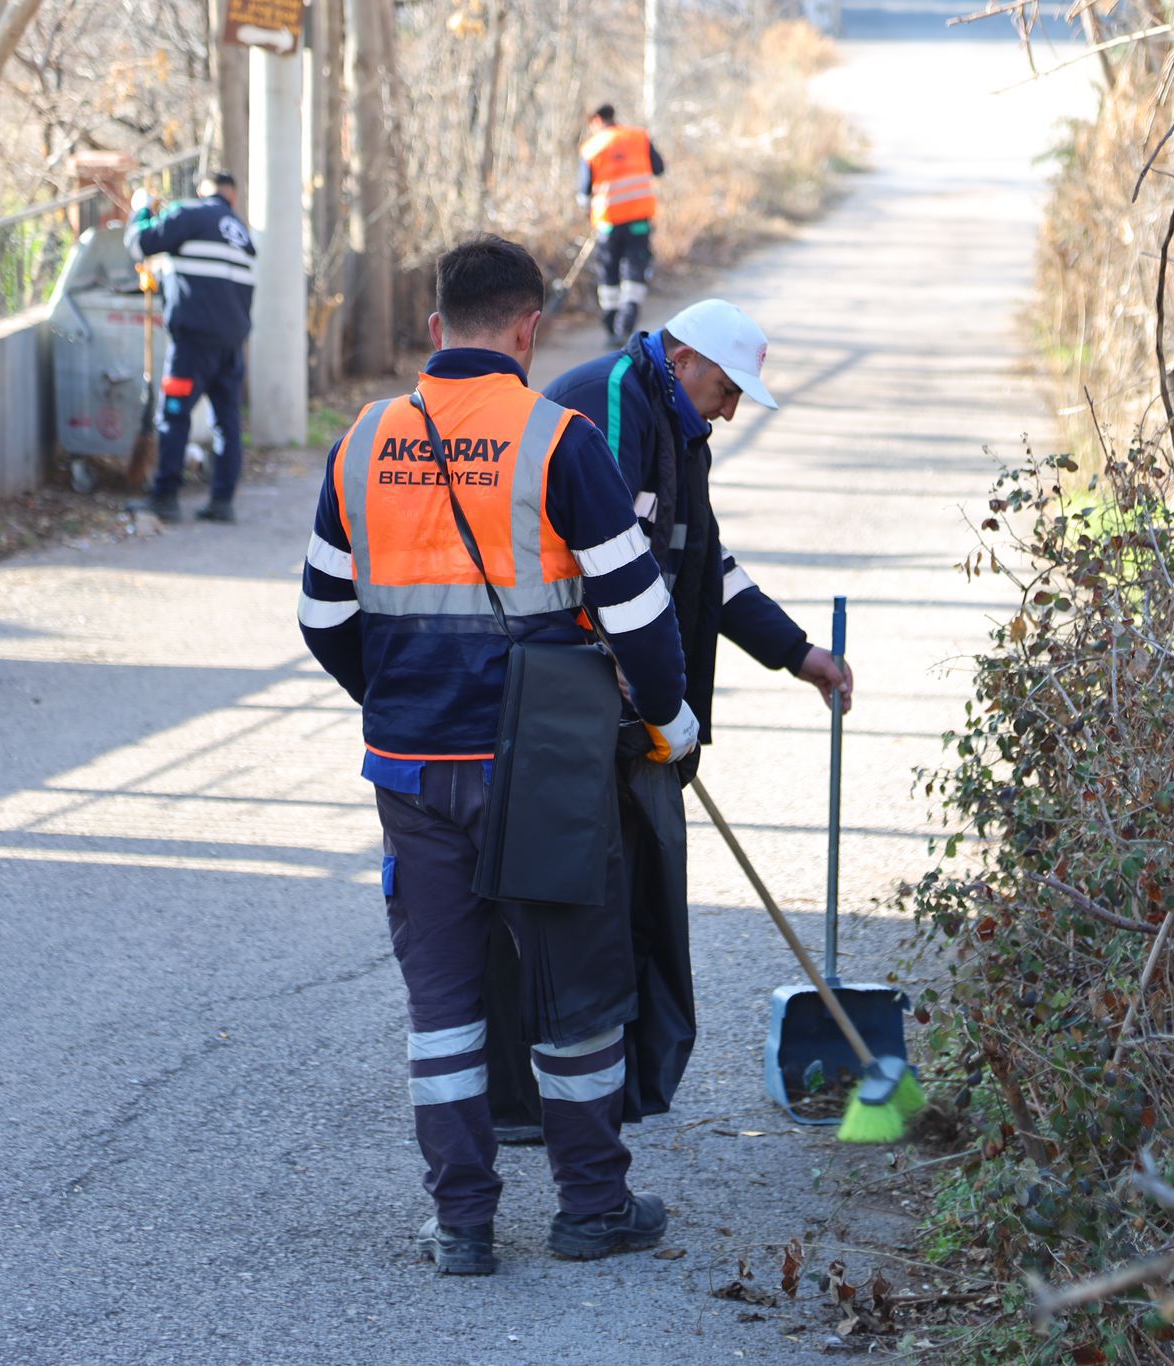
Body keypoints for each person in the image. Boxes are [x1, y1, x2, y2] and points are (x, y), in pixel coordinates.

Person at [297, 233, 700, 1275]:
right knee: (572, 993)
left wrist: (392, 696)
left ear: (435, 329)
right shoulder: (559, 442)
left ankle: (463, 1223)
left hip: (409, 771)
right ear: (528, 331)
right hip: (543, 773)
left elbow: (320, 615)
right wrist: (668, 720)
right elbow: (640, 614)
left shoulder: (363, 440)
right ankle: (589, 1208)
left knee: (443, 1006)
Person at [483, 298, 852, 1141]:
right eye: (725, 388)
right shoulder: (611, 403)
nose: (728, 409)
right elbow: (606, 571)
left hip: (642, 714)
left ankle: (614, 1097)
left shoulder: (684, 435)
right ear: (681, 358)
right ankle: (547, 1110)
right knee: (585, 915)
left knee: (644, 907)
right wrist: (650, 703)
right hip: (581, 712)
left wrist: (799, 654)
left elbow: (705, 567)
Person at [124, 171, 254, 524]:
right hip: (231, 344)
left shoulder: (190, 214)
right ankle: (222, 501)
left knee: (174, 415)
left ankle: (165, 497)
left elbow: (139, 244)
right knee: (227, 422)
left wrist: (141, 209)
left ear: (202, 192)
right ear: (234, 198)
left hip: (193, 344)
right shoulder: (244, 235)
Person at [578, 104, 664, 345]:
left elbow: (583, 193)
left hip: (608, 224)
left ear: (596, 120)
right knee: (634, 272)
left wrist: (588, 210)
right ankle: (625, 324)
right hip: (638, 221)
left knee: (609, 275)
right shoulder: (639, 137)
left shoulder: (591, 148)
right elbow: (659, 168)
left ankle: (610, 325)